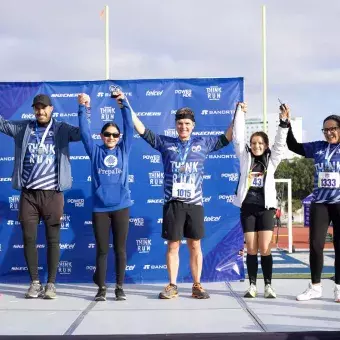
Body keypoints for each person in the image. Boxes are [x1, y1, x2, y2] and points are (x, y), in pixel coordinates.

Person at [131, 104, 233, 299]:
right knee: (173, 245)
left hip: (195, 204)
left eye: (187, 123)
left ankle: (197, 285)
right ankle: (172, 285)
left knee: (195, 245)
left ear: (193, 125)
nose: (183, 127)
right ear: (175, 125)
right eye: (179, 123)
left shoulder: (203, 143)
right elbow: (143, 131)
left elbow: (226, 138)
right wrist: (127, 105)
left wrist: (239, 114)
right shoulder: (165, 143)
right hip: (173, 203)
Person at [0, 94, 81, 299]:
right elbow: (2, 125)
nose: (40, 112)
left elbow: (82, 134)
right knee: (29, 239)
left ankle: (51, 284)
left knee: (53, 240)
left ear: (51, 109)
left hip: (52, 194)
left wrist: (83, 109)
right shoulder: (24, 128)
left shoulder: (61, 129)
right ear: (33, 110)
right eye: (37, 108)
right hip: (29, 195)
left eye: (44, 108)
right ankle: (35, 283)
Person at [77, 91, 133, 302]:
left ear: (119, 138)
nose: (111, 137)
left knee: (120, 249)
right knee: (102, 251)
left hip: (121, 206)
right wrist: (83, 108)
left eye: (114, 135)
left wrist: (123, 103)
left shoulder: (124, 149)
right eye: (107, 134)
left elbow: (129, 127)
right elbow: (83, 131)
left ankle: (119, 287)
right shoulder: (95, 152)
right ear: (101, 136)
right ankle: (101, 288)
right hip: (100, 208)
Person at [283, 105, 340, 302]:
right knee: (316, 245)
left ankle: (339, 288)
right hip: (320, 203)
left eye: (333, 128)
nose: (329, 132)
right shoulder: (318, 147)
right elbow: (293, 146)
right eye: (326, 129)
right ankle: (315, 286)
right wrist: (286, 123)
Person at [233, 102, 289, 298]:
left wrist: (283, 122)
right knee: (251, 248)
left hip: (266, 209)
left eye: (260, 143)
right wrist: (239, 113)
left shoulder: (271, 160)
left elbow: (280, 144)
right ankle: (252, 285)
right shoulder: (244, 157)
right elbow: (238, 138)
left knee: (265, 248)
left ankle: (268, 286)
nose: (256, 146)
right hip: (247, 208)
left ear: (265, 146)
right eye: (254, 142)